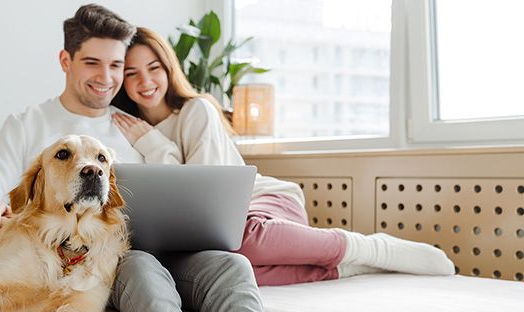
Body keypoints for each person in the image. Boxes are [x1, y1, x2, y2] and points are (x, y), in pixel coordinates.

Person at [0, 5, 280, 312]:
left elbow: (180, 191)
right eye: (93, 63)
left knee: (233, 267)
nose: (106, 78)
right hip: (104, 261)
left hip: (166, 249)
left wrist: (156, 144)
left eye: (115, 66)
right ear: (66, 60)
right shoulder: (30, 124)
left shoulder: (133, 123)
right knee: (142, 269)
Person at [110, 27, 456, 286]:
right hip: (221, 231)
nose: (145, 80)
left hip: (263, 206)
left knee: (240, 241)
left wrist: (155, 144)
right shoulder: (123, 129)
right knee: (227, 270)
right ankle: (342, 268)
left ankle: (370, 249)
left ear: (169, 68)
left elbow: (204, 203)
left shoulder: (195, 111)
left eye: (154, 67)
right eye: (131, 72)